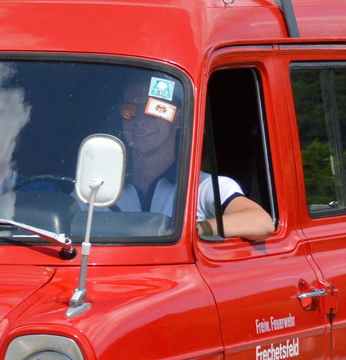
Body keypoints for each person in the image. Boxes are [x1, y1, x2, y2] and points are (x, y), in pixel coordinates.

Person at [112, 77, 275, 241]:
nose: (139, 121)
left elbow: (261, 222)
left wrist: (193, 231)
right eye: (129, 111)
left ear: (179, 119)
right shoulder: (103, 189)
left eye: (154, 110)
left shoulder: (203, 186)